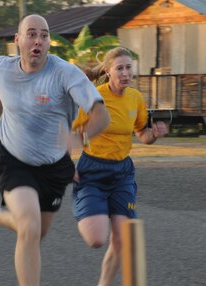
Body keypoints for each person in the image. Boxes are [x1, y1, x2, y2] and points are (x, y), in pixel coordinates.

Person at [0, 14, 110, 286]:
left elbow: (102, 116)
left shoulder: (64, 73)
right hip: (14, 158)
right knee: (29, 229)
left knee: (37, 232)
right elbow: (3, 92)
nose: (38, 41)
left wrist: (80, 138)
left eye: (44, 36)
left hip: (54, 165)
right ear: (17, 40)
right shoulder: (1, 68)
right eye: (31, 34)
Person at [72, 47, 168, 286]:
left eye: (128, 68)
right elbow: (71, 134)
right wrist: (65, 164)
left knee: (124, 238)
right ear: (108, 70)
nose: (125, 73)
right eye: (120, 68)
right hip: (92, 172)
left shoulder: (135, 98)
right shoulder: (94, 96)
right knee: (96, 239)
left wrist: (154, 134)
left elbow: (141, 134)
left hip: (122, 173)